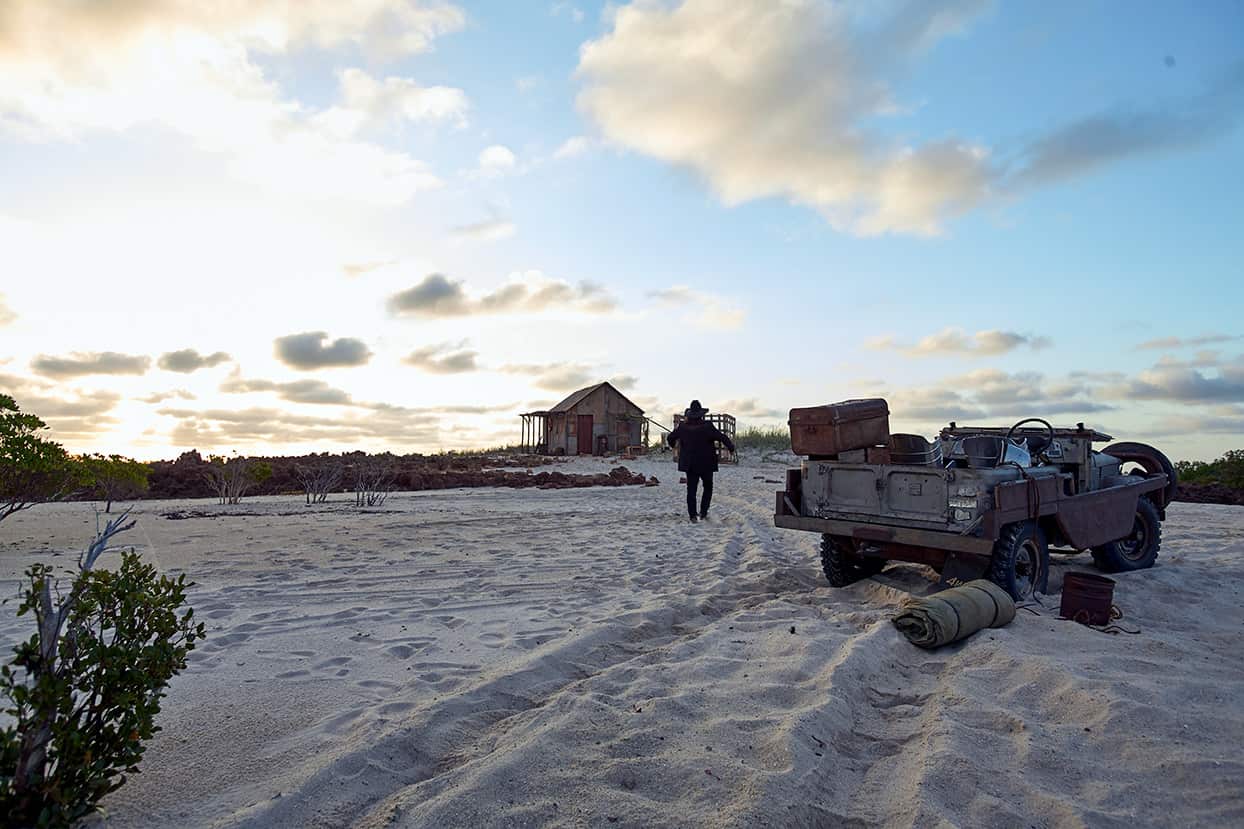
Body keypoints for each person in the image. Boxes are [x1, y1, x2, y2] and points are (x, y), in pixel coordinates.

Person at [667, 400, 735, 523]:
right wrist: (731, 448)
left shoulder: (683, 427)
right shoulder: (707, 426)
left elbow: (670, 438)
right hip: (706, 463)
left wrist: (674, 445)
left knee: (691, 489)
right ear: (701, 415)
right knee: (708, 487)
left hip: (690, 463)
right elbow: (722, 437)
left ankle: (693, 516)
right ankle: (703, 513)